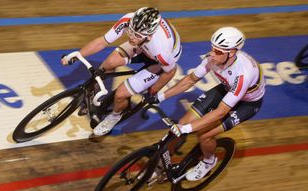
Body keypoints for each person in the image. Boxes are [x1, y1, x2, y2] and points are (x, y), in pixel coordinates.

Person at [146, 27, 265, 181]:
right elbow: (190, 80)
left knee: (204, 134)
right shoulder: (213, 58)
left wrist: (188, 129)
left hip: (247, 104)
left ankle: (209, 161)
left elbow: (221, 111)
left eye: (219, 52)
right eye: (213, 49)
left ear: (232, 52)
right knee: (183, 122)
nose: (212, 54)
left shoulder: (243, 74)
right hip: (227, 89)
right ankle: (160, 166)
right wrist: (159, 97)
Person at [62, 7, 182, 136]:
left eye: (137, 35)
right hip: (143, 47)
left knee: (120, 94)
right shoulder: (128, 20)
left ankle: (114, 116)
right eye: (130, 31)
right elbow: (102, 42)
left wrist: (154, 90)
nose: (131, 36)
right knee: (107, 65)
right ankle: (93, 95)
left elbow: (170, 71)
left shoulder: (161, 49)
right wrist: (76, 55)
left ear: (149, 35)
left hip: (158, 62)